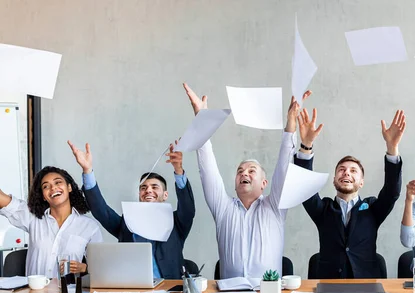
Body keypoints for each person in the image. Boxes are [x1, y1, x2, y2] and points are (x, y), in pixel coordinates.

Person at [185, 83, 305, 279]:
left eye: (251, 171)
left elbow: (284, 168)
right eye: (240, 171)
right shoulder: (223, 207)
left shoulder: (275, 207)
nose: (244, 174)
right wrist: (202, 122)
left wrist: (291, 125)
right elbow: (208, 170)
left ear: (264, 184)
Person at [294, 108, 405, 279]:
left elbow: (392, 191)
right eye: (342, 170)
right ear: (334, 180)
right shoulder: (323, 209)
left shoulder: (373, 209)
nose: (346, 173)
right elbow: (304, 186)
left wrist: (392, 148)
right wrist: (306, 146)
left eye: (353, 171)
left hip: (366, 287)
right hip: (329, 287)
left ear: (361, 182)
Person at [68, 140, 196, 279]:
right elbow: (101, 211)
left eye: (154, 187)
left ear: (165, 195)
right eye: (143, 187)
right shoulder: (128, 222)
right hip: (132, 288)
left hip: (170, 290)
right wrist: (87, 171)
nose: (148, 190)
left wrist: (178, 170)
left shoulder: (176, 222)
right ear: (139, 195)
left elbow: (188, 208)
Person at [0, 166, 102, 278]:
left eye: (58, 182)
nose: (53, 188)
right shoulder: (33, 218)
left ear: (69, 187)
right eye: (46, 186)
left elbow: (101, 267)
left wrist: (84, 268)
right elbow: (4, 200)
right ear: (44, 196)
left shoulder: (90, 227)